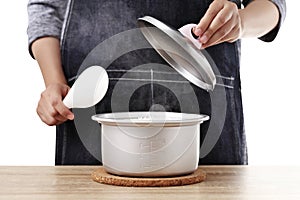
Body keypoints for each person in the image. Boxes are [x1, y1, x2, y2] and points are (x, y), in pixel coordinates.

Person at [27, 0, 286, 165]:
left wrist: (240, 22)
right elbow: (47, 7)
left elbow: (273, 5)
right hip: (95, 102)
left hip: (204, 98)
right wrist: (54, 83)